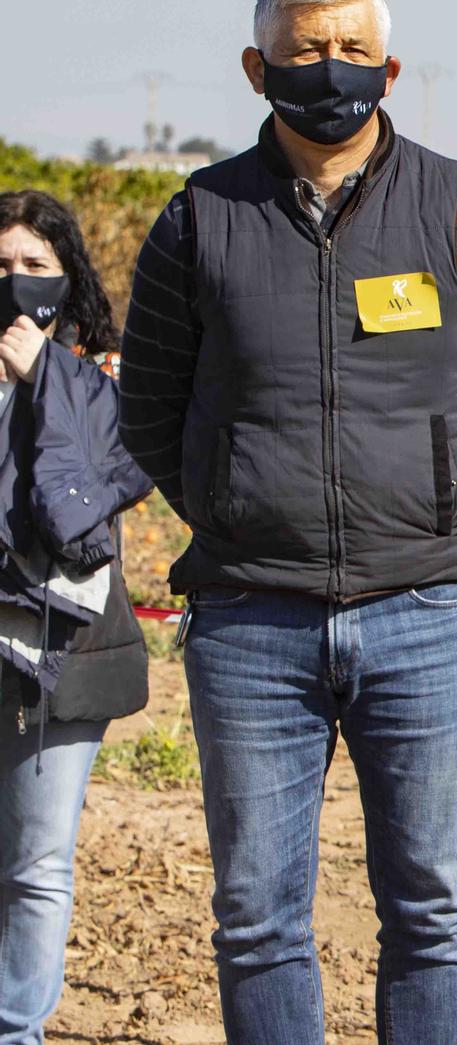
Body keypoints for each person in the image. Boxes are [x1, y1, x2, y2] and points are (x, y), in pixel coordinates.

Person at [118, 0, 457, 1043]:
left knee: (431, 912)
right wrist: (237, 506)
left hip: (427, 621)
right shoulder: (198, 218)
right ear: (256, 66)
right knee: (258, 916)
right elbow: (150, 409)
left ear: (390, 66)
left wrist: (436, 514)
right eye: (306, 49)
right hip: (249, 624)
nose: (331, 71)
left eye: (353, 50)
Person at [0, 190, 152, 1045]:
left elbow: (80, 511)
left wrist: (43, 379)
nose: (15, 283)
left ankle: (16, 1029)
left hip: (64, 651)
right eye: (0, 267)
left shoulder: (104, 380)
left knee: (38, 858)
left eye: (34, 267)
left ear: (68, 278)